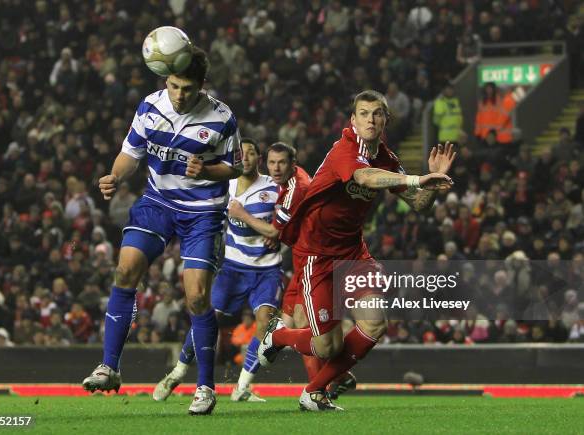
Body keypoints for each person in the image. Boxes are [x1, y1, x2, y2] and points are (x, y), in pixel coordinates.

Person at [257, 90, 455, 411]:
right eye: (363, 113)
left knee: (376, 322)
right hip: (317, 254)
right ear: (353, 120)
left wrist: (430, 182)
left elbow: (418, 204)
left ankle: (313, 392)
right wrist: (418, 179)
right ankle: (278, 337)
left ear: (385, 120)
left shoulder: (387, 159)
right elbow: (364, 176)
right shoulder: (344, 150)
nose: (370, 120)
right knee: (326, 346)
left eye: (377, 113)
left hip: (353, 252)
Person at [81, 46, 243, 416]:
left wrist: (206, 170)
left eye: (187, 88)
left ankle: (205, 387)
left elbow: (233, 168)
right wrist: (115, 177)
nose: (179, 94)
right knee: (125, 270)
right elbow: (131, 153)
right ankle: (110, 367)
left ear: (201, 86)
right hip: (157, 204)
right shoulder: (150, 105)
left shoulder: (222, 118)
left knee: (197, 296)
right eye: (173, 86)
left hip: (202, 211)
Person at [152, 138, 282, 403]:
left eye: (251, 154)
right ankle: (177, 372)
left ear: (259, 158)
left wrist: (278, 232)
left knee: (266, 320)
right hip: (233, 267)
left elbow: (290, 219)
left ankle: (242, 386)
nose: (245, 158)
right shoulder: (225, 185)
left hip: (267, 269)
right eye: (241, 154)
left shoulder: (274, 186)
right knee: (206, 316)